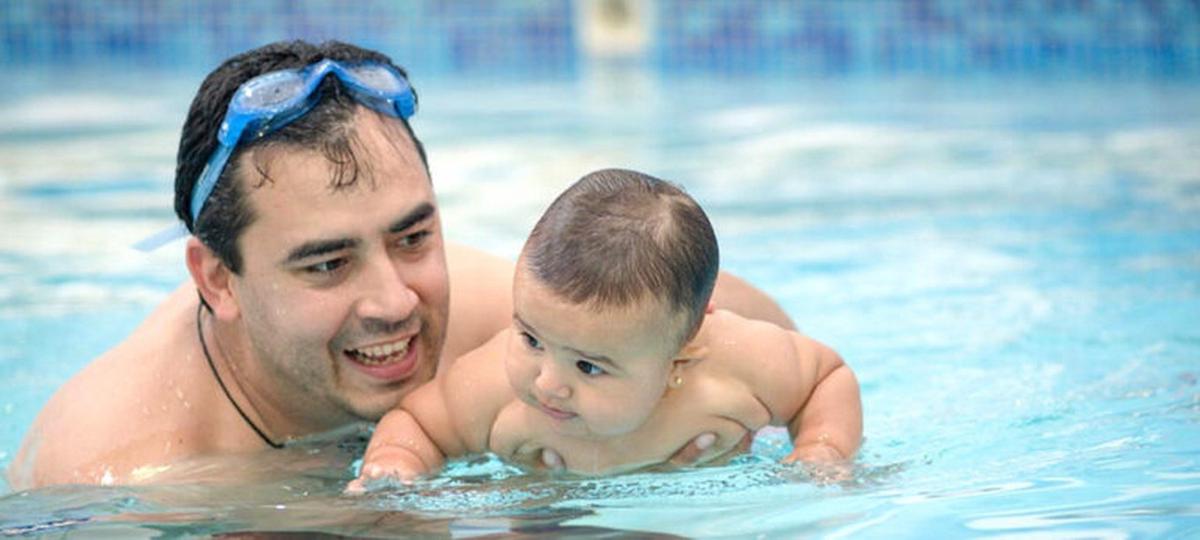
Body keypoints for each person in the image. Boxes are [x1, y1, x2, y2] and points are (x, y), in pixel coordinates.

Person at [7, 41, 797, 489]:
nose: (395, 301)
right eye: (326, 265)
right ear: (217, 280)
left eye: (413, 238)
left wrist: (668, 417)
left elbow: (753, 322)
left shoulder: (511, 330)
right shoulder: (121, 474)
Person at [349, 168, 861, 490]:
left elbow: (825, 377)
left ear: (681, 354)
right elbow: (418, 422)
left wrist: (822, 449)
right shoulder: (496, 389)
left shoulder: (734, 365)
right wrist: (396, 463)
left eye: (589, 366)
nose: (547, 382)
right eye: (530, 338)